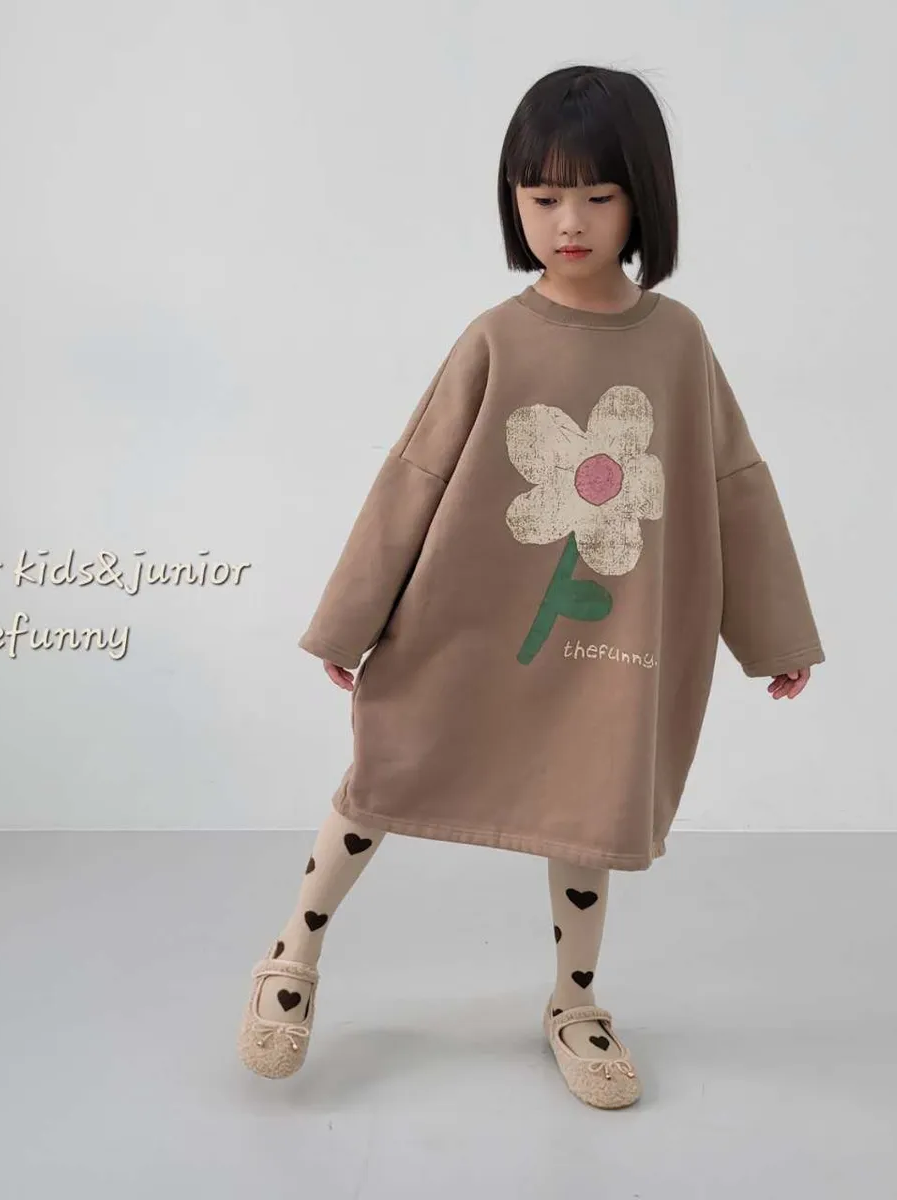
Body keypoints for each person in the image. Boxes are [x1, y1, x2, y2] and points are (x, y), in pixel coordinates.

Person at [237, 64, 825, 1109]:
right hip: (468, 620)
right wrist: (348, 620)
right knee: (386, 771)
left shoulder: (677, 342)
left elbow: (733, 484)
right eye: (544, 195)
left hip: (614, 640)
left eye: (598, 195)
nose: (570, 221)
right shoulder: (496, 337)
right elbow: (414, 476)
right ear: (513, 197)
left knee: (588, 803)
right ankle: (294, 951)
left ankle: (575, 1001)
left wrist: (775, 635)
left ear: (644, 199)